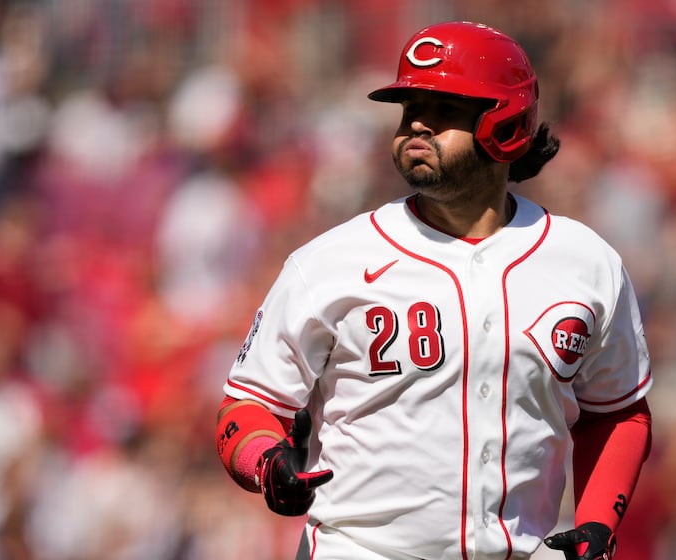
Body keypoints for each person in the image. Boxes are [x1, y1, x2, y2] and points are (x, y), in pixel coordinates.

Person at [215, 21, 653, 560]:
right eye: (409, 109)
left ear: (508, 124)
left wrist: (596, 523)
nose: (417, 123)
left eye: (444, 108)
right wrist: (265, 460)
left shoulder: (585, 262)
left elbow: (618, 411)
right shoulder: (329, 262)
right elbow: (248, 408)